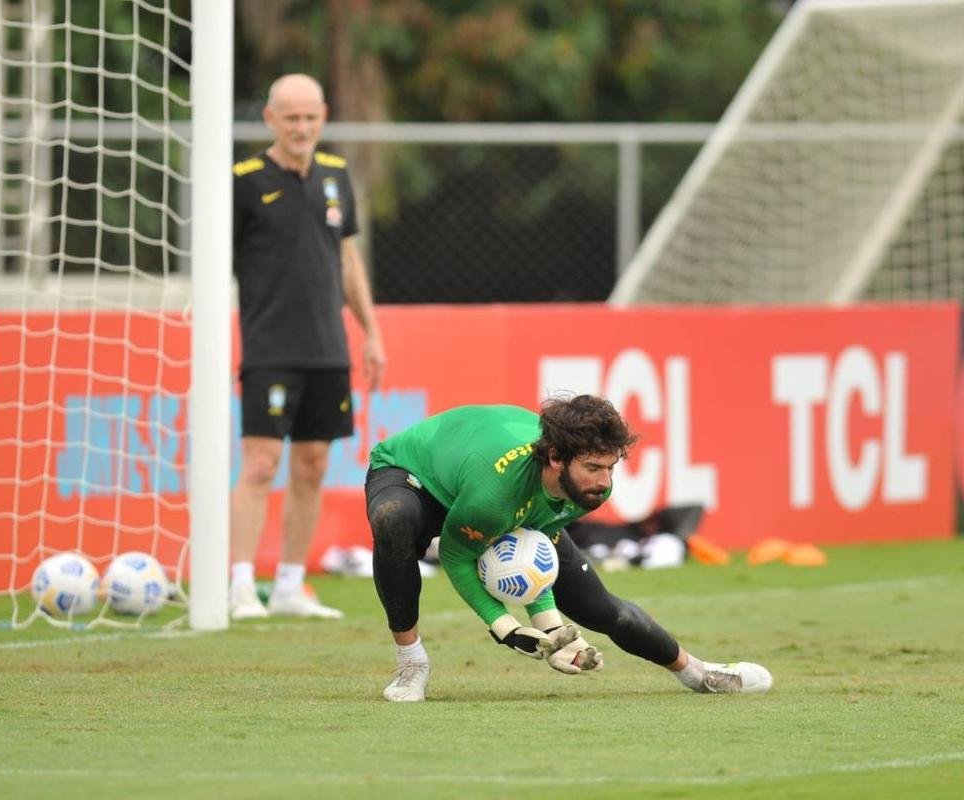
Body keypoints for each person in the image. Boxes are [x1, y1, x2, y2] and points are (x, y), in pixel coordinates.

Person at [364, 394, 772, 702]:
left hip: (484, 488)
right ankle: (411, 664)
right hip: (412, 472)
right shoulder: (497, 494)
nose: (603, 480)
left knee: (601, 609)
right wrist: (504, 627)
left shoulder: (587, 490)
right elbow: (455, 554)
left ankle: (697, 673)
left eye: (610, 467)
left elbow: (532, 552)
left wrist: (554, 632)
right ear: (556, 458)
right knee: (393, 521)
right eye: (593, 467)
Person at [229, 74, 387, 620]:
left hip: (328, 347)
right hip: (270, 344)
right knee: (260, 462)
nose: (300, 127)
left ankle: (292, 584)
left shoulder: (337, 176)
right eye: (289, 117)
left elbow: (347, 260)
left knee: (314, 464)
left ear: (322, 116)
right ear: (270, 119)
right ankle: (241, 584)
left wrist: (372, 332)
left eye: (309, 117)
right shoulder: (244, 180)